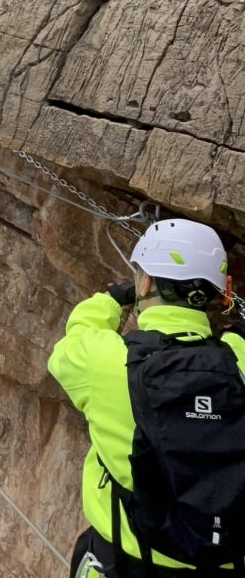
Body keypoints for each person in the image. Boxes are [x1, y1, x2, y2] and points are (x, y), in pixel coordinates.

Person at [48, 219, 245, 577]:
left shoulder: (105, 362)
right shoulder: (239, 362)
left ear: (147, 281)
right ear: (221, 293)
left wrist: (110, 299)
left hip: (128, 562)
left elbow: (72, 343)